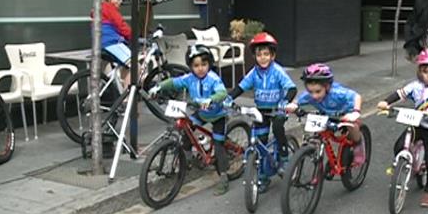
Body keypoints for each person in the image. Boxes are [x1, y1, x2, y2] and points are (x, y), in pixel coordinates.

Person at [150, 45, 231, 196]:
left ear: (209, 64)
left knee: (219, 145)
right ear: (191, 67)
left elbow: (222, 93)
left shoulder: (213, 79)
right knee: (186, 131)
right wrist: (158, 87)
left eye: (204, 65)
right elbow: (174, 82)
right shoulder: (189, 78)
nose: (200, 68)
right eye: (196, 65)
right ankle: (187, 160)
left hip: (218, 114)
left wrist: (211, 99)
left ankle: (224, 177)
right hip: (201, 113)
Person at [377, 48, 428, 208]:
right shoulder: (415, 86)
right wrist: (386, 102)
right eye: (425, 71)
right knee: (399, 145)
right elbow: (400, 93)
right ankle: (400, 165)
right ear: (420, 72)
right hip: (417, 124)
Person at [227, 32, 296, 191]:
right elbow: (240, 87)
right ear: (255, 56)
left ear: (272, 55)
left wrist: (285, 101)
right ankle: (263, 176)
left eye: (266, 54)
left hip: (277, 109)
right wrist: (229, 98)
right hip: (261, 110)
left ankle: (284, 157)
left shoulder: (277, 71)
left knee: (278, 128)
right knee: (260, 141)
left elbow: (291, 88)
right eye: (259, 55)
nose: (263, 58)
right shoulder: (254, 73)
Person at [285, 63, 365, 165]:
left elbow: (356, 97)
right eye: (310, 91)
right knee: (320, 133)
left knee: (352, 127)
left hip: (346, 114)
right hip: (328, 115)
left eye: (318, 91)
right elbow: (296, 102)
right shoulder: (309, 96)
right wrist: (292, 106)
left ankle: (358, 145)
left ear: (327, 87)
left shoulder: (337, 93)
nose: (314, 96)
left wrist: (355, 112)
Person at [92, 0, 133, 84]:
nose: (120, 2)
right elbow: (122, 26)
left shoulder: (99, 8)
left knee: (126, 65)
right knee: (135, 66)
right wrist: (135, 36)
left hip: (101, 44)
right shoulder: (109, 8)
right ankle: (128, 99)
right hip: (112, 43)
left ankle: (122, 93)